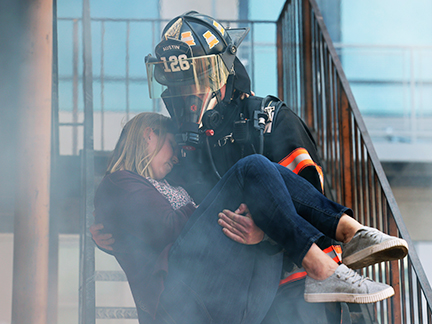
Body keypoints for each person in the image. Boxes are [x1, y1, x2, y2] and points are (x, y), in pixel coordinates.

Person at [92, 11, 404, 324]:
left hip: (292, 289)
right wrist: (110, 229)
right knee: (252, 168)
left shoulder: (268, 122)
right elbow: (152, 221)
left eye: (197, 79)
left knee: (254, 168)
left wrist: (267, 234)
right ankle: (351, 234)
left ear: (222, 72)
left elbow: (302, 203)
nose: (187, 93)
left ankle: (351, 236)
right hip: (229, 289)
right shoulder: (182, 150)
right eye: (180, 83)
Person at [93, 112, 408, 324]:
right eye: (172, 147)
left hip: (235, 301)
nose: (176, 158)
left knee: (267, 180)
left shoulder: (168, 185)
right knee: (251, 168)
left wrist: (255, 220)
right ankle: (326, 261)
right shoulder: (118, 183)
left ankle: (351, 233)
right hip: (180, 303)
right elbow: (168, 228)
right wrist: (224, 200)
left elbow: (194, 227)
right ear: (148, 135)